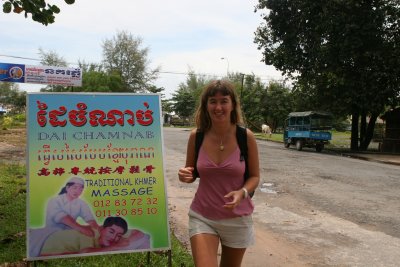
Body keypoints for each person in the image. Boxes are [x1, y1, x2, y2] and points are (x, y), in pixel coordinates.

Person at [178, 80, 260, 267]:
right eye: (212, 101)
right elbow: (189, 172)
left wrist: (242, 193)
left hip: (238, 218)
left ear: (233, 105)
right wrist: (184, 175)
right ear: (206, 105)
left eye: (224, 101)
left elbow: (255, 176)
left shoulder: (245, 136)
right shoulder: (196, 136)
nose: (218, 107)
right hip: (203, 215)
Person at [40, 216, 151, 256]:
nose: (114, 238)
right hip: (43, 242)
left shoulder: (116, 231)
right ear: (101, 228)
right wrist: (119, 246)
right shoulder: (87, 235)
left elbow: (140, 234)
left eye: (119, 235)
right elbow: (84, 252)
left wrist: (123, 242)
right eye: (111, 232)